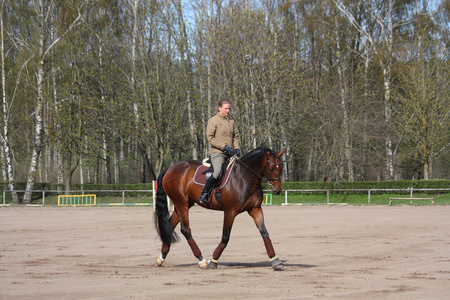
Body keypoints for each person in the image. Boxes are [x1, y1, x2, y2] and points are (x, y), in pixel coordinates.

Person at [200, 99, 241, 205]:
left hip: (230, 153)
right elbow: (210, 138)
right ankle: (204, 194)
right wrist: (223, 146)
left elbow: (235, 137)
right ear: (219, 108)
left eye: (229, 109)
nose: (228, 110)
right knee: (217, 171)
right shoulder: (213, 120)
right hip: (218, 152)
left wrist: (236, 148)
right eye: (226, 108)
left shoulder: (231, 122)